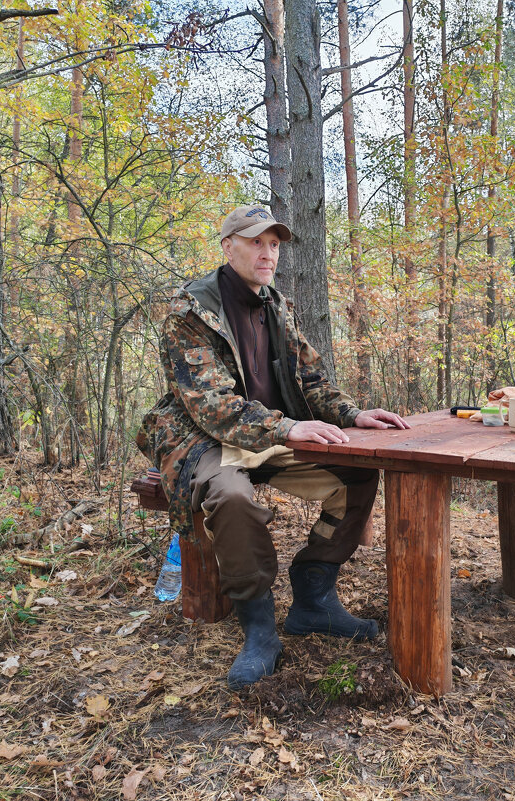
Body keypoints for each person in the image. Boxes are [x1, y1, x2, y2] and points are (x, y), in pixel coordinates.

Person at [136, 204, 408, 689]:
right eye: (256, 242)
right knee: (233, 497)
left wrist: (353, 414)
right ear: (227, 247)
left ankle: (313, 598)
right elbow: (213, 405)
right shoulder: (190, 312)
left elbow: (311, 378)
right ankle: (259, 628)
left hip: (272, 432)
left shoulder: (275, 305)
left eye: (275, 244)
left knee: (360, 473)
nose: (268, 253)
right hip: (206, 438)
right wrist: (287, 430)